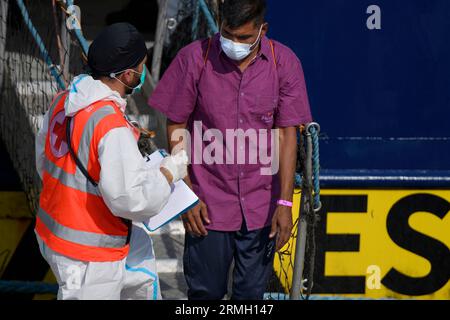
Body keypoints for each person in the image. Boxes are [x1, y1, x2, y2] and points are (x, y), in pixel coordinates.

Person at [148, 0, 312, 300]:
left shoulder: (284, 63)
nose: (234, 43)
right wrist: (186, 194)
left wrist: (285, 204)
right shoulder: (193, 58)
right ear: (219, 25)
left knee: (251, 296)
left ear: (263, 30)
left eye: (244, 38)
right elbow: (176, 126)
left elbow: (287, 135)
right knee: (205, 294)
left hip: (262, 206)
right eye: (228, 34)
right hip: (207, 206)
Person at [34, 22, 188, 300]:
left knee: (141, 276)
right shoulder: (110, 125)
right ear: (128, 74)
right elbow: (130, 200)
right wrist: (168, 173)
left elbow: (44, 160)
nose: (142, 73)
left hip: (54, 234)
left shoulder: (62, 101)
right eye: (141, 67)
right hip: (90, 255)